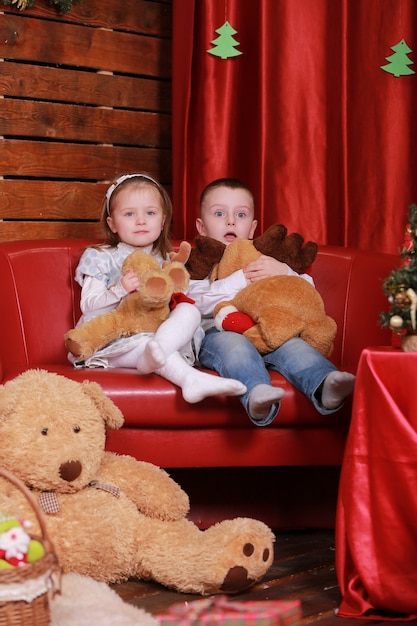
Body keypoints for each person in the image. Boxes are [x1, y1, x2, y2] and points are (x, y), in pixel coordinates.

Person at [186, 177, 355, 425]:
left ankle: (324, 384)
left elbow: (304, 294)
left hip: (269, 333)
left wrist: (284, 271)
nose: (231, 220)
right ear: (201, 227)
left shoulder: (265, 259)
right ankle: (256, 393)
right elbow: (195, 302)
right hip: (217, 336)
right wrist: (240, 278)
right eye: (219, 213)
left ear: (253, 228)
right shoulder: (195, 265)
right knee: (235, 347)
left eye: (240, 214)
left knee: (294, 347)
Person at [68, 173, 246, 403]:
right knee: (145, 346)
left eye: (150, 213)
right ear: (112, 223)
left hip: (161, 336)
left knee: (189, 309)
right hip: (118, 339)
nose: (141, 221)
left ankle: (159, 349)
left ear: (162, 220)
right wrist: (120, 289)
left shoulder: (167, 258)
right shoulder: (100, 256)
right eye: (129, 214)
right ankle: (190, 379)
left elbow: (189, 298)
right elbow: (88, 305)